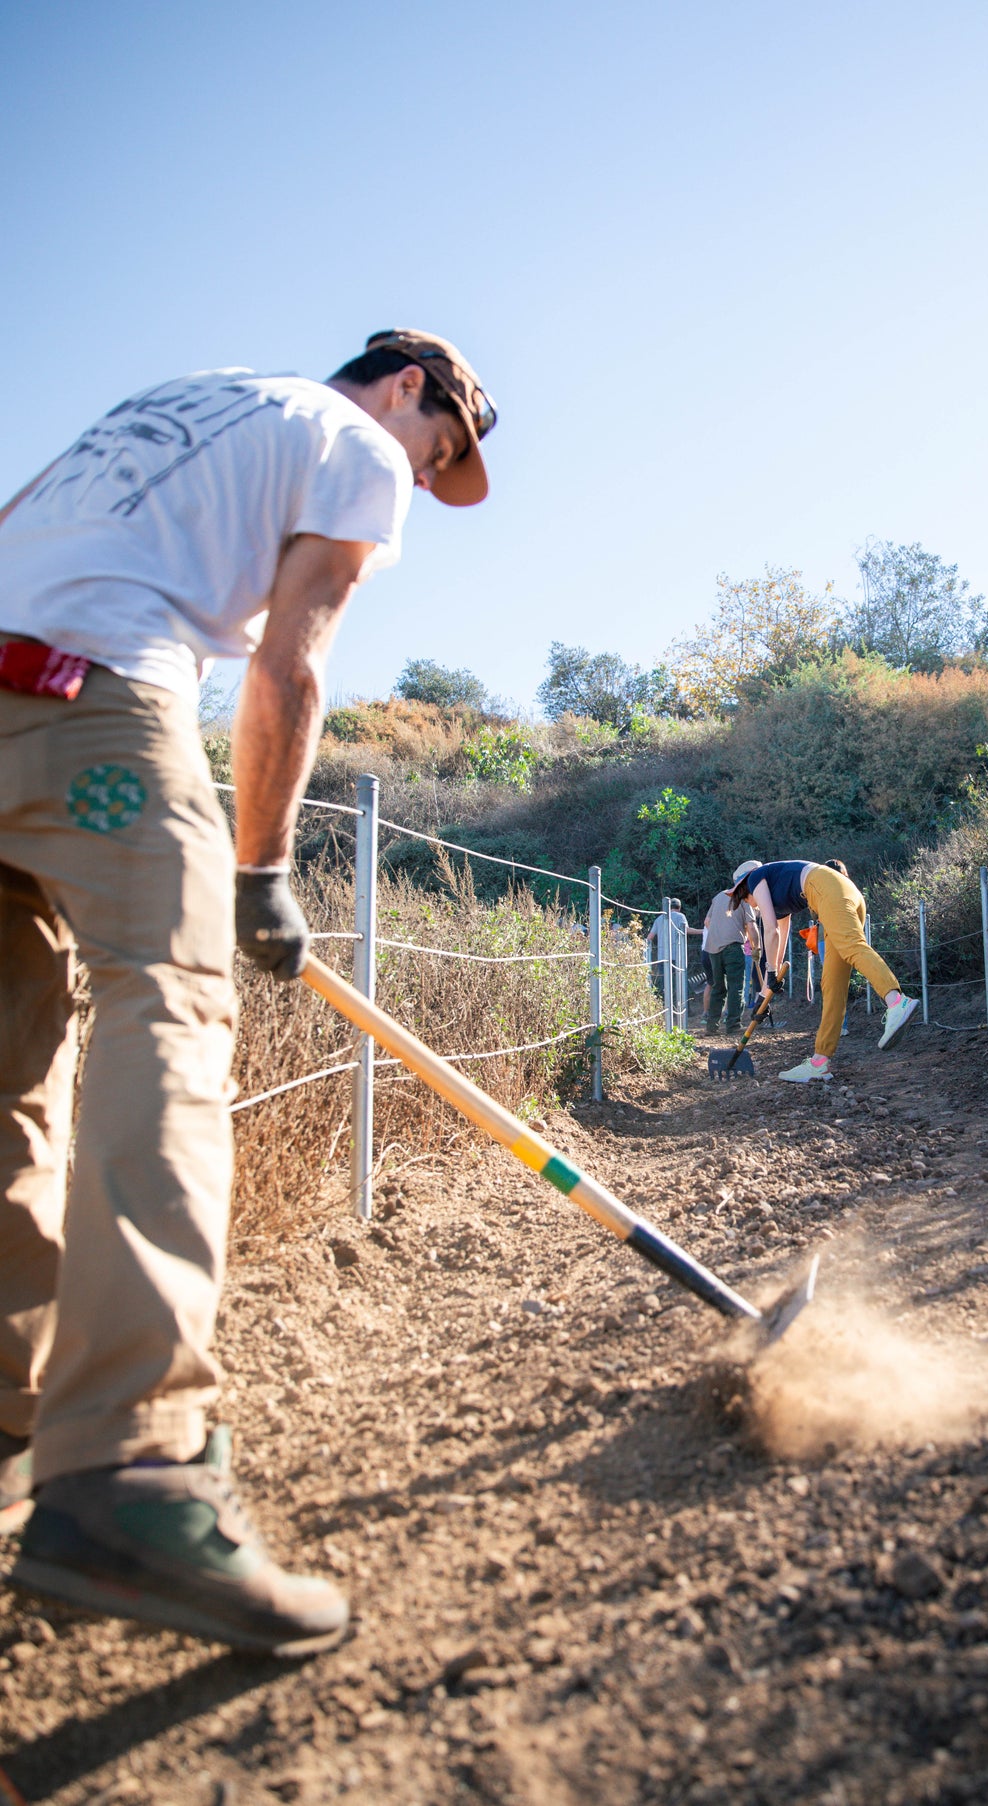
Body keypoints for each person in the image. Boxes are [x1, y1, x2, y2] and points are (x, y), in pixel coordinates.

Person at [0, 328, 496, 1654]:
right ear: (408, 390)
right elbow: (291, 661)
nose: (423, 474)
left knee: (6, 1075)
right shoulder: (353, 445)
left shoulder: (157, 402)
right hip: (95, 708)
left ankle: (10, 1429)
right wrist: (262, 868)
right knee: (169, 1009)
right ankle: (134, 1469)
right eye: (438, 448)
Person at [728, 858, 918, 1081]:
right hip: (838, 892)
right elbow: (780, 934)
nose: (751, 905)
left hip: (827, 889)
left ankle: (897, 1002)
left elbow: (770, 931)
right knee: (832, 982)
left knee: (852, 946)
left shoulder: (756, 878)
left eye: (746, 900)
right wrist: (766, 988)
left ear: (743, 887)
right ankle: (820, 1062)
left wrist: (770, 973)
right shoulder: (777, 892)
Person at [700, 864, 758, 1035]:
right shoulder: (744, 897)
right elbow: (752, 926)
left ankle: (712, 1026)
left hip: (713, 948)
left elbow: (707, 922)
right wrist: (757, 947)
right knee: (736, 986)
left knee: (718, 987)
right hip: (733, 947)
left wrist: (720, 932)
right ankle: (733, 1025)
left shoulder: (718, 896)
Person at [646, 899, 689, 1020]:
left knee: (665, 984)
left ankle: (665, 1009)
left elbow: (650, 937)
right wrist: (703, 932)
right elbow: (685, 931)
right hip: (677, 957)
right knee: (680, 983)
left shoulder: (659, 919)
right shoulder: (681, 916)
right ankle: (681, 1010)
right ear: (679, 907)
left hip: (662, 958)